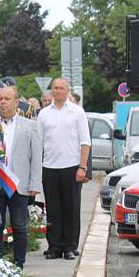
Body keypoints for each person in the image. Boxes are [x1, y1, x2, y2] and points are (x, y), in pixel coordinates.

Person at [37, 78, 90, 261]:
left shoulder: (77, 112)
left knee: (71, 208)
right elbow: (39, 143)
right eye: (55, 88)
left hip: (72, 166)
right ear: (52, 91)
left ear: (68, 91)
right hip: (50, 166)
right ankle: (54, 246)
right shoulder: (43, 114)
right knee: (53, 209)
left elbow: (85, 141)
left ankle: (69, 246)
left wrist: (82, 167)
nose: (58, 91)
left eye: (61, 88)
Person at [0, 86, 43, 269]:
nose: (3, 102)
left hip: (18, 184)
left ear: (16, 102)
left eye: (7, 99)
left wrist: (35, 184)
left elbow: (36, 157)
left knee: (19, 225)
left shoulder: (30, 126)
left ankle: (19, 262)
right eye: (0, 99)